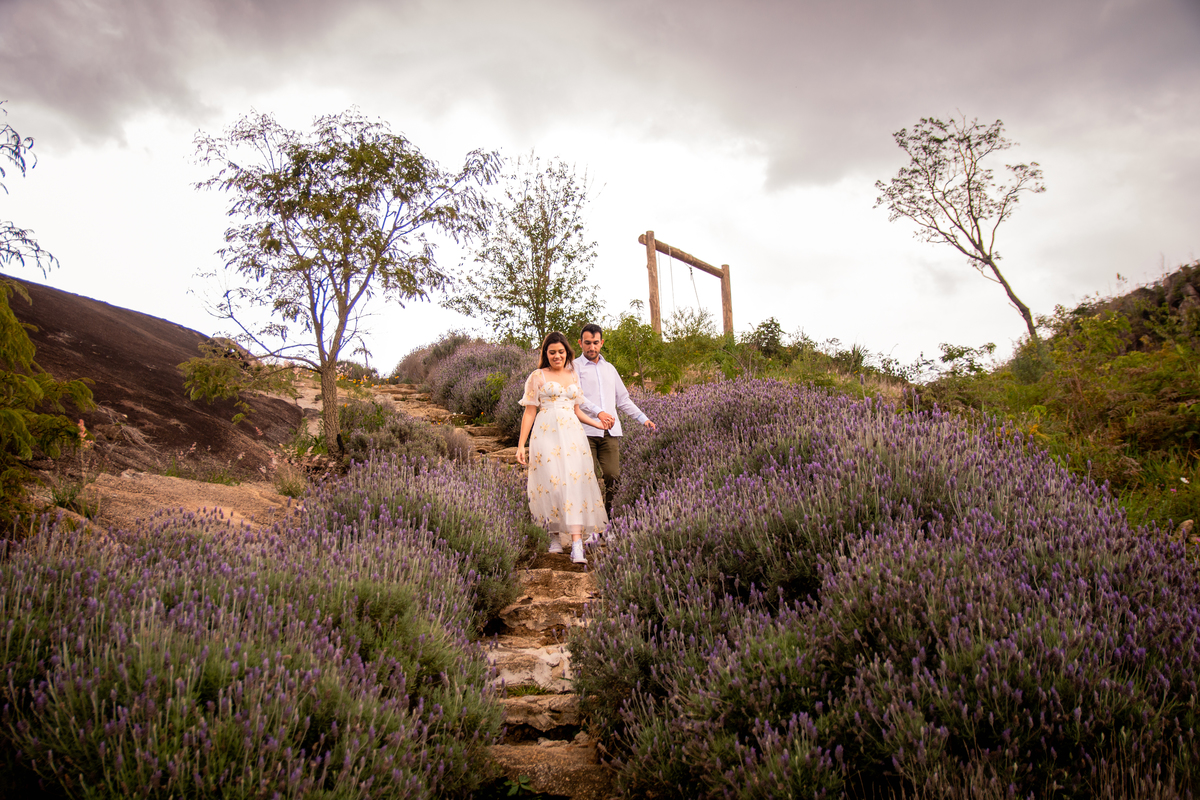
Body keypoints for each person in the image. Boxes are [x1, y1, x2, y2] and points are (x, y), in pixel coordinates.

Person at [516, 331, 609, 564]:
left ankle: (577, 544)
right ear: (545, 354)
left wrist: (596, 422)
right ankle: (554, 535)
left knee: (575, 484)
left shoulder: (573, 375)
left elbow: (577, 410)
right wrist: (521, 445)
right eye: (552, 352)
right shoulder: (537, 377)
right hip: (546, 433)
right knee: (551, 483)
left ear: (567, 352)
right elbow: (529, 411)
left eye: (561, 352)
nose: (557, 356)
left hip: (572, 434)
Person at [574, 323, 655, 524]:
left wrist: (643, 419)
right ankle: (590, 522)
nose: (591, 347)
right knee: (588, 476)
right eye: (587, 343)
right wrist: (599, 413)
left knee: (613, 475)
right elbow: (577, 398)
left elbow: (623, 400)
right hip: (585, 431)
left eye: (595, 343)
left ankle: (608, 520)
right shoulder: (574, 367)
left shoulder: (609, 369)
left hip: (610, 432)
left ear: (601, 343)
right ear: (580, 343)